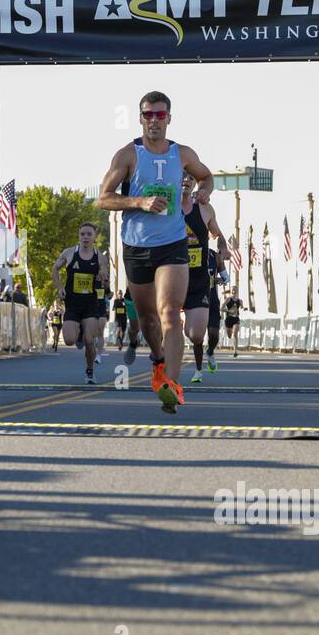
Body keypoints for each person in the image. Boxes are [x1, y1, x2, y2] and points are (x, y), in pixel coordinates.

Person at [98, 91, 214, 413]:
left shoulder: (182, 153)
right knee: (149, 321)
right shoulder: (128, 155)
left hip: (173, 243)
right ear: (140, 118)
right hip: (136, 246)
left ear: (169, 119)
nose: (153, 121)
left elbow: (207, 176)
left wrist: (204, 190)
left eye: (159, 115)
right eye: (148, 115)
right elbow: (103, 198)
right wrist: (139, 202)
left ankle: (172, 387)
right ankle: (158, 360)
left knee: (169, 312)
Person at [180, 183, 230, 384]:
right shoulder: (169, 206)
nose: (185, 181)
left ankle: (208, 353)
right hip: (175, 276)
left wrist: (224, 247)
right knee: (175, 329)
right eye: (182, 176)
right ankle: (163, 361)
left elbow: (218, 234)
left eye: (191, 178)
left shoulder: (205, 210)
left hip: (203, 288)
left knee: (202, 335)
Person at [52, 222, 110, 384]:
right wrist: (59, 288)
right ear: (79, 236)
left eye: (89, 234)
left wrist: (103, 276)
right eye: (82, 234)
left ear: (94, 237)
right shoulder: (69, 253)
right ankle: (78, 333)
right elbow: (55, 269)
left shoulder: (99, 256)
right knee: (69, 340)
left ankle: (90, 371)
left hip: (90, 304)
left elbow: (104, 272)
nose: (85, 237)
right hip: (72, 303)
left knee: (90, 341)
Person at [223, 288, 244, 356]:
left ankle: (235, 351)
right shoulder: (228, 299)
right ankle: (229, 331)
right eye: (233, 292)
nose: (234, 293)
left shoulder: (240, 301)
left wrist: (244, 308)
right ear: (231, 292)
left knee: (235, 334)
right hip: (229, 319)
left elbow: (242, 307)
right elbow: (221, 308)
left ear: (237, 292)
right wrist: (229, 311)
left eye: (235, 292)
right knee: (229, 335)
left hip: (236, 319)